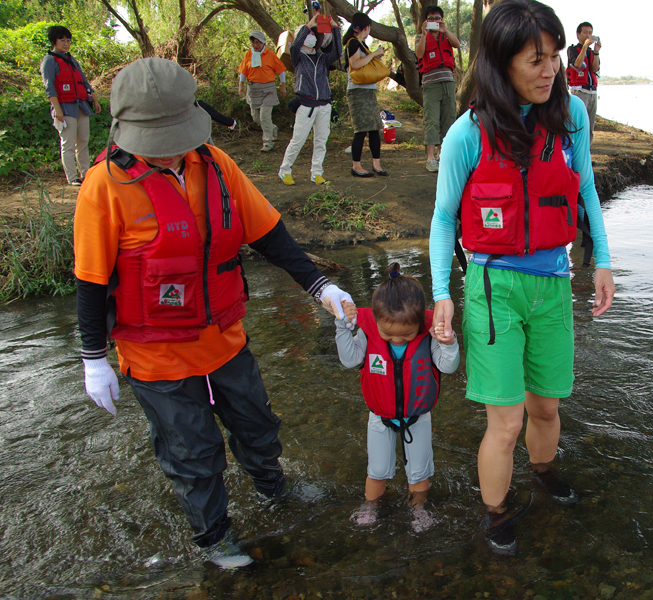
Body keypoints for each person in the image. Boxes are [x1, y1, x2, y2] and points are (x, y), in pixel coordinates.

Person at [74, 58, 356, 569]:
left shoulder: (216, 165)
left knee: (256, 423)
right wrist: (93, 356)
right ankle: (215, 539)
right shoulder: (103, 186)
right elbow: (91, 280)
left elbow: (268, 232)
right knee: (194, 452)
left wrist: (320, 285)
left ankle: (274, 490)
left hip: (223, 334)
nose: (169, 151)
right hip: (154, 351)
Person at [428, 0, 615, 556]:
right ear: (501, 62)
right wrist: (442, 294)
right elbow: (442, 218)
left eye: (555, 57)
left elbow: (583, 190)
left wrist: (601, 259)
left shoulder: (572, 116)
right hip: (493, 287)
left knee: (547, 407)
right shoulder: (467, 134)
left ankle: (544, 472)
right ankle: (495, 513)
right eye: (536, 59)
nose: (550, 69)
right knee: (505, 421)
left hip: (554, 282)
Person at [334, 263, 459, 531]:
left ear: (420, 325)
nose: (398, 340)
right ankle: (371, 506)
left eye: (407, 334)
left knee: (419, 473)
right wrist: (343, 327)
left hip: (418, 416)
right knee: (377, 470)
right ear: (376, 321)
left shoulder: (428, 336)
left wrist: (449, 342)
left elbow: (448, 366)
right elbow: (349, 360)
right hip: (380, 417)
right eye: (388, 334)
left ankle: (419, 508)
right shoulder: (368, 335)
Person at [278, 5, 342, 186]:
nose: (312, 37)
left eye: (314, 35)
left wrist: (335, 28)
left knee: (321, 141)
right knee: (297, 140)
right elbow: (296, 45)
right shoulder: (298, 57)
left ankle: (316, 173)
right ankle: (285, 170)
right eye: (309, 35)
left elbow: (338, 52)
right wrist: (309, 25)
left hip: (324, 104)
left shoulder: (322, 59)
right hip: (306, 104)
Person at [40, 25, 101, 186]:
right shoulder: (49, 61)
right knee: (67, 143)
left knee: (83, 142)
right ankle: (73, 177)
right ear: (54, 41)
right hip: (65, 108)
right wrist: (57, 109)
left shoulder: (70, 59)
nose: (66, 44)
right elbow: (49, 87)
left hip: (81, 105)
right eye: (62, 40)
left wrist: (94, 98)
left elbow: (83, 80)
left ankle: (86, 173)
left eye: (68, 40)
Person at [414, 6, 460, 173]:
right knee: (432, 119)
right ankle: (430, 158)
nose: (434, 21)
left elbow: (457, 44)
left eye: (437, 18)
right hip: (431, 84)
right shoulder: (421, 36)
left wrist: (445, 30)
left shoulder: (445, 34)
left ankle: (443, 155)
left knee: (448, 119)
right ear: (426, 20)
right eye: (431, 18)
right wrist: (425, 34)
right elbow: (419, 54)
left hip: (448, 82)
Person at [343, 13, 388, 178]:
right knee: (361, 130)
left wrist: (373, 54)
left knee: (375, 128)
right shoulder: (353, 43)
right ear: (366, 27)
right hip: (357, 91)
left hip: (368, 91)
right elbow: (355, 64)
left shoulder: (362, 44)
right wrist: (374, 54)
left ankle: (377, 164)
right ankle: (356, 166)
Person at [238, 30, 286, 152]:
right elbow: (243, 72)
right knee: (256, 118)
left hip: (268, 90)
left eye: (259, 42)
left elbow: (281, 71)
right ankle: (273, 128)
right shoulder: (248, 55)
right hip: (253, 90)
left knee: (264, 116)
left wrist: (283, 86)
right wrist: (241, 86)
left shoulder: (270, 55)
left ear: (263, 42)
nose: (256, 44)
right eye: (254, 42)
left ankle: (267, 142)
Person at [566, 22, 601, 133]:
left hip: (592, 92)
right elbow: (577, 64)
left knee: (589, 127)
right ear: (578, 34)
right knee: (578, 125)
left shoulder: (591, 53)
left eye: (590, 33)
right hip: (579, 91)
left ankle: (587, 149)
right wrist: (585, 46)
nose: (588, 35)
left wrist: (596, 52)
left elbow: (595, 69)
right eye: (585, 32)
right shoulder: (573, 49)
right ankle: (575, 148)